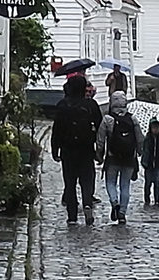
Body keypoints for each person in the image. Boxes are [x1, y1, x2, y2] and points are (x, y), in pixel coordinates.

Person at [50, 74, 100, 225]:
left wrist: (55, 148)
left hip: (68, 150)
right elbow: (100, 127)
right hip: (86, 149)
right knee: (87, 179)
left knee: (70, 182)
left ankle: (72, 215)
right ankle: (87, 203)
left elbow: (56, 129)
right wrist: (100, 148)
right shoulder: (91, 105)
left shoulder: (63, 105)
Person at [95, 91, 140, 224]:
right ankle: (122, 213)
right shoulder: (132, 119)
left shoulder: (107, 119)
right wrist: (139, 151)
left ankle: (114, 202)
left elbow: (100, 140)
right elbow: (140, 138)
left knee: (110, 182)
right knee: (125, 185)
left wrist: (99, 154)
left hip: (112, 157)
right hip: (129, 158)